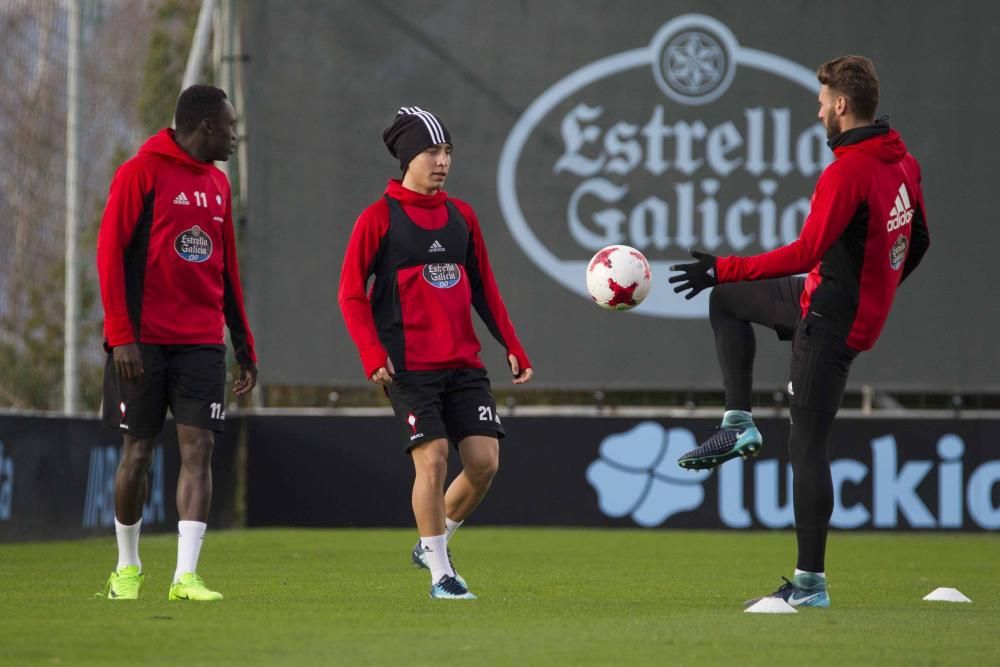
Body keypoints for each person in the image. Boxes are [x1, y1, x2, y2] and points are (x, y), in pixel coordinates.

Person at [668, 56, 929, 608]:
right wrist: (874, 290)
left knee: (807, 445)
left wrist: (724, 264)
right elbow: (919, 240)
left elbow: (806, 250)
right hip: (832, 297)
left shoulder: (850, 171)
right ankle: (738, 423)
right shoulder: (903, 161)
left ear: (841, 105)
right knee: (728, 302)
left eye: (820, 101)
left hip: (831, 319)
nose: (817, 111)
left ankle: (810, 585)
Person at [339, 106, 533, 600]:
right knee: (434, 458)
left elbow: (485, 288)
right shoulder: (377, 219)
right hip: (409, 369)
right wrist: (371, 353)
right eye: (432, 151)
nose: (442, 161)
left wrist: (511, 343)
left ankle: (433, 541)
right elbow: (350, 294)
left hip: (463, 365)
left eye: (447, 151)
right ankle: (442, 576)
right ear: (408, 156)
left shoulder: (462, 216)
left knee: (485, 462)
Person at [96, 84, 258, 601]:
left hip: (200, 344)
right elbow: (108, 254)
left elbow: (227, 269)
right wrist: (121, 336)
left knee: (200, 448)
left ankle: (185, 576)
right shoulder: (139, 173)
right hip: (140, 344)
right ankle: (127, 567)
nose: (236, 135)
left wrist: (243, 343)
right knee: (137, 454)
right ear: (206, 126)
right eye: (231, 126)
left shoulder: (218, 185)